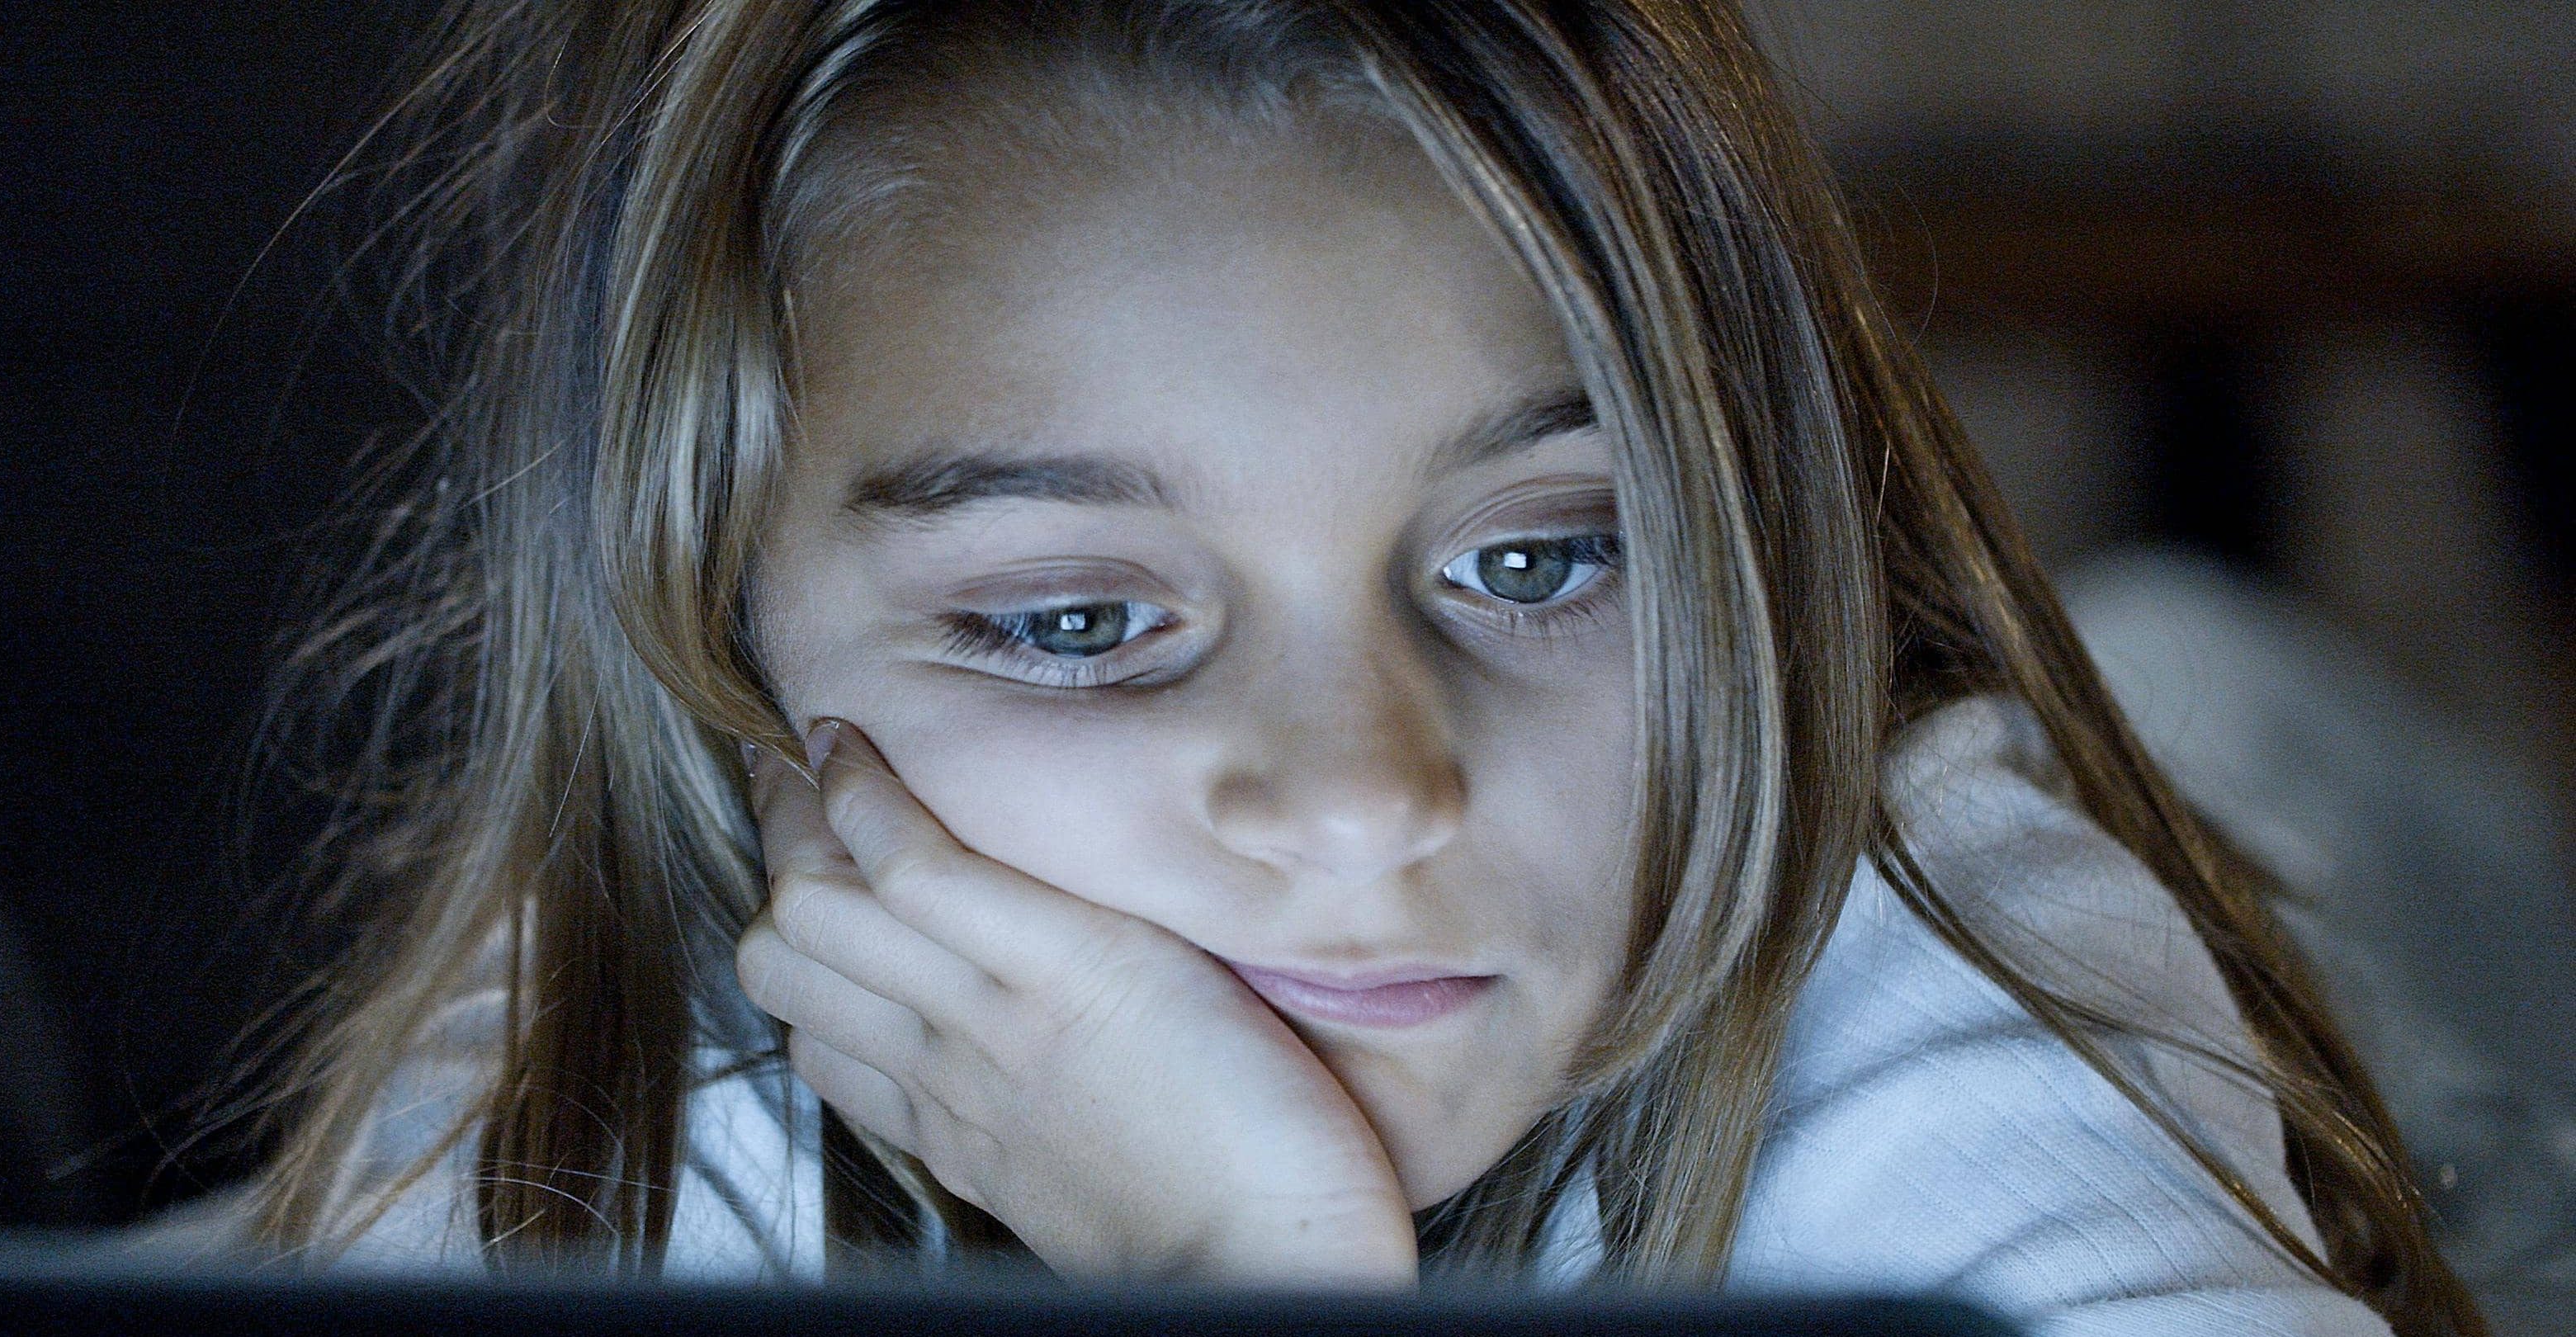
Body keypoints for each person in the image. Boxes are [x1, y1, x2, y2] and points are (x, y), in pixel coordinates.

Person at [212, 1, 2479, 1332]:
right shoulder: (602, 1105)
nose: (1368, 788)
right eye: (1083, 621)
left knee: (2220, 693)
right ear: (721, 641)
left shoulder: (1911, 915)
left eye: (1540, 555)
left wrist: (1235, 1275)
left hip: (2324, 840)